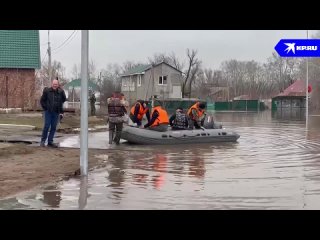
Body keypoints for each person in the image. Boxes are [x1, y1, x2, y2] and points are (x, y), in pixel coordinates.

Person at [40, 79, 66, 147]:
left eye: (56, 84)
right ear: (52, 84)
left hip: (56, 112)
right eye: (54, 84)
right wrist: (45, 108)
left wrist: (61, 111)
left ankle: (50, 141)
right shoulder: (47, 91)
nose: (55, 85)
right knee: (46, 126)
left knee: (54, 127)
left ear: (58, 85)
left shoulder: (60, 92)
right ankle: (43, 141)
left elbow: (63, 99)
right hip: (48, 112)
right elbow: (42, 100)